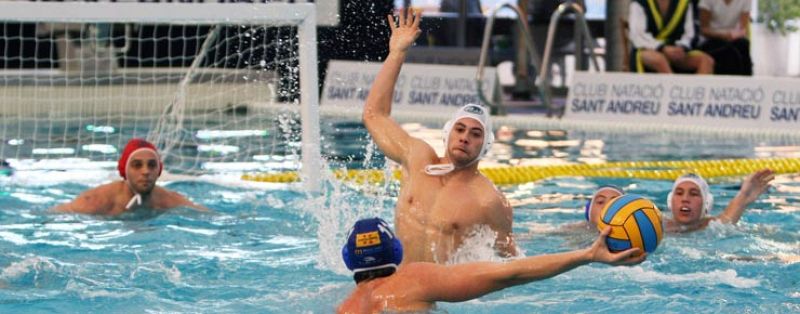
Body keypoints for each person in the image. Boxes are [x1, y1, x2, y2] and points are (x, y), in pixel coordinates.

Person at [362, 9, 516, 263]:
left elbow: (511, 263)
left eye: (475, 134)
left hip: (438, 296)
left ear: (486, 146)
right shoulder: (417, 158)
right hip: (397, 279)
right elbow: (374, 115)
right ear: (447, 133)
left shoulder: (489, 201)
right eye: (460, 129)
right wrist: (397, 53)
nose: (465, 137)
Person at [337, 217, 646, 313]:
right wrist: (586, 255)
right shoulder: (415, 278)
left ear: (348, 259)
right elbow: (508, 273)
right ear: (396, 250)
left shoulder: (344, 308)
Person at [54, 138, 208, 215]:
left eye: (151, 165)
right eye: (137, 165)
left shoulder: (169, 200)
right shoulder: (97, 201)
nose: (145, 171)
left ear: (159, 170)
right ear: (124, 170)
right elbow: (53, 216)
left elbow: (209, 216)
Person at [664, 169, 774, 233]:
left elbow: (726, 219)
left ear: (706, 203)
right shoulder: (658, 224)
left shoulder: (712, 227)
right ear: (670, 201)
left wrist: (744, 196)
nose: (685, 199)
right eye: (679, 193)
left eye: (694, 194)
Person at [628, 0, 715, 74]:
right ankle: (674, 90)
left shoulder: (684, 2)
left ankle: (695, 93)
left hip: (676, 49)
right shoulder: (640, 2)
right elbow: (638, 35)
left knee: (705, 61)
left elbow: (690, 33)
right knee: (659, 60)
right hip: (648, 48)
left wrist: (681, 47)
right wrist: (662, 48)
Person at [697, 0, 753, 75]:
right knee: (728, 52)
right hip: (711, 38)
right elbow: (703, 29)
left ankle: (746, 83)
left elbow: (743, 28)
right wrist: (723, 35)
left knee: (743, 45)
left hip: (733, 38)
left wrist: (732, 35)